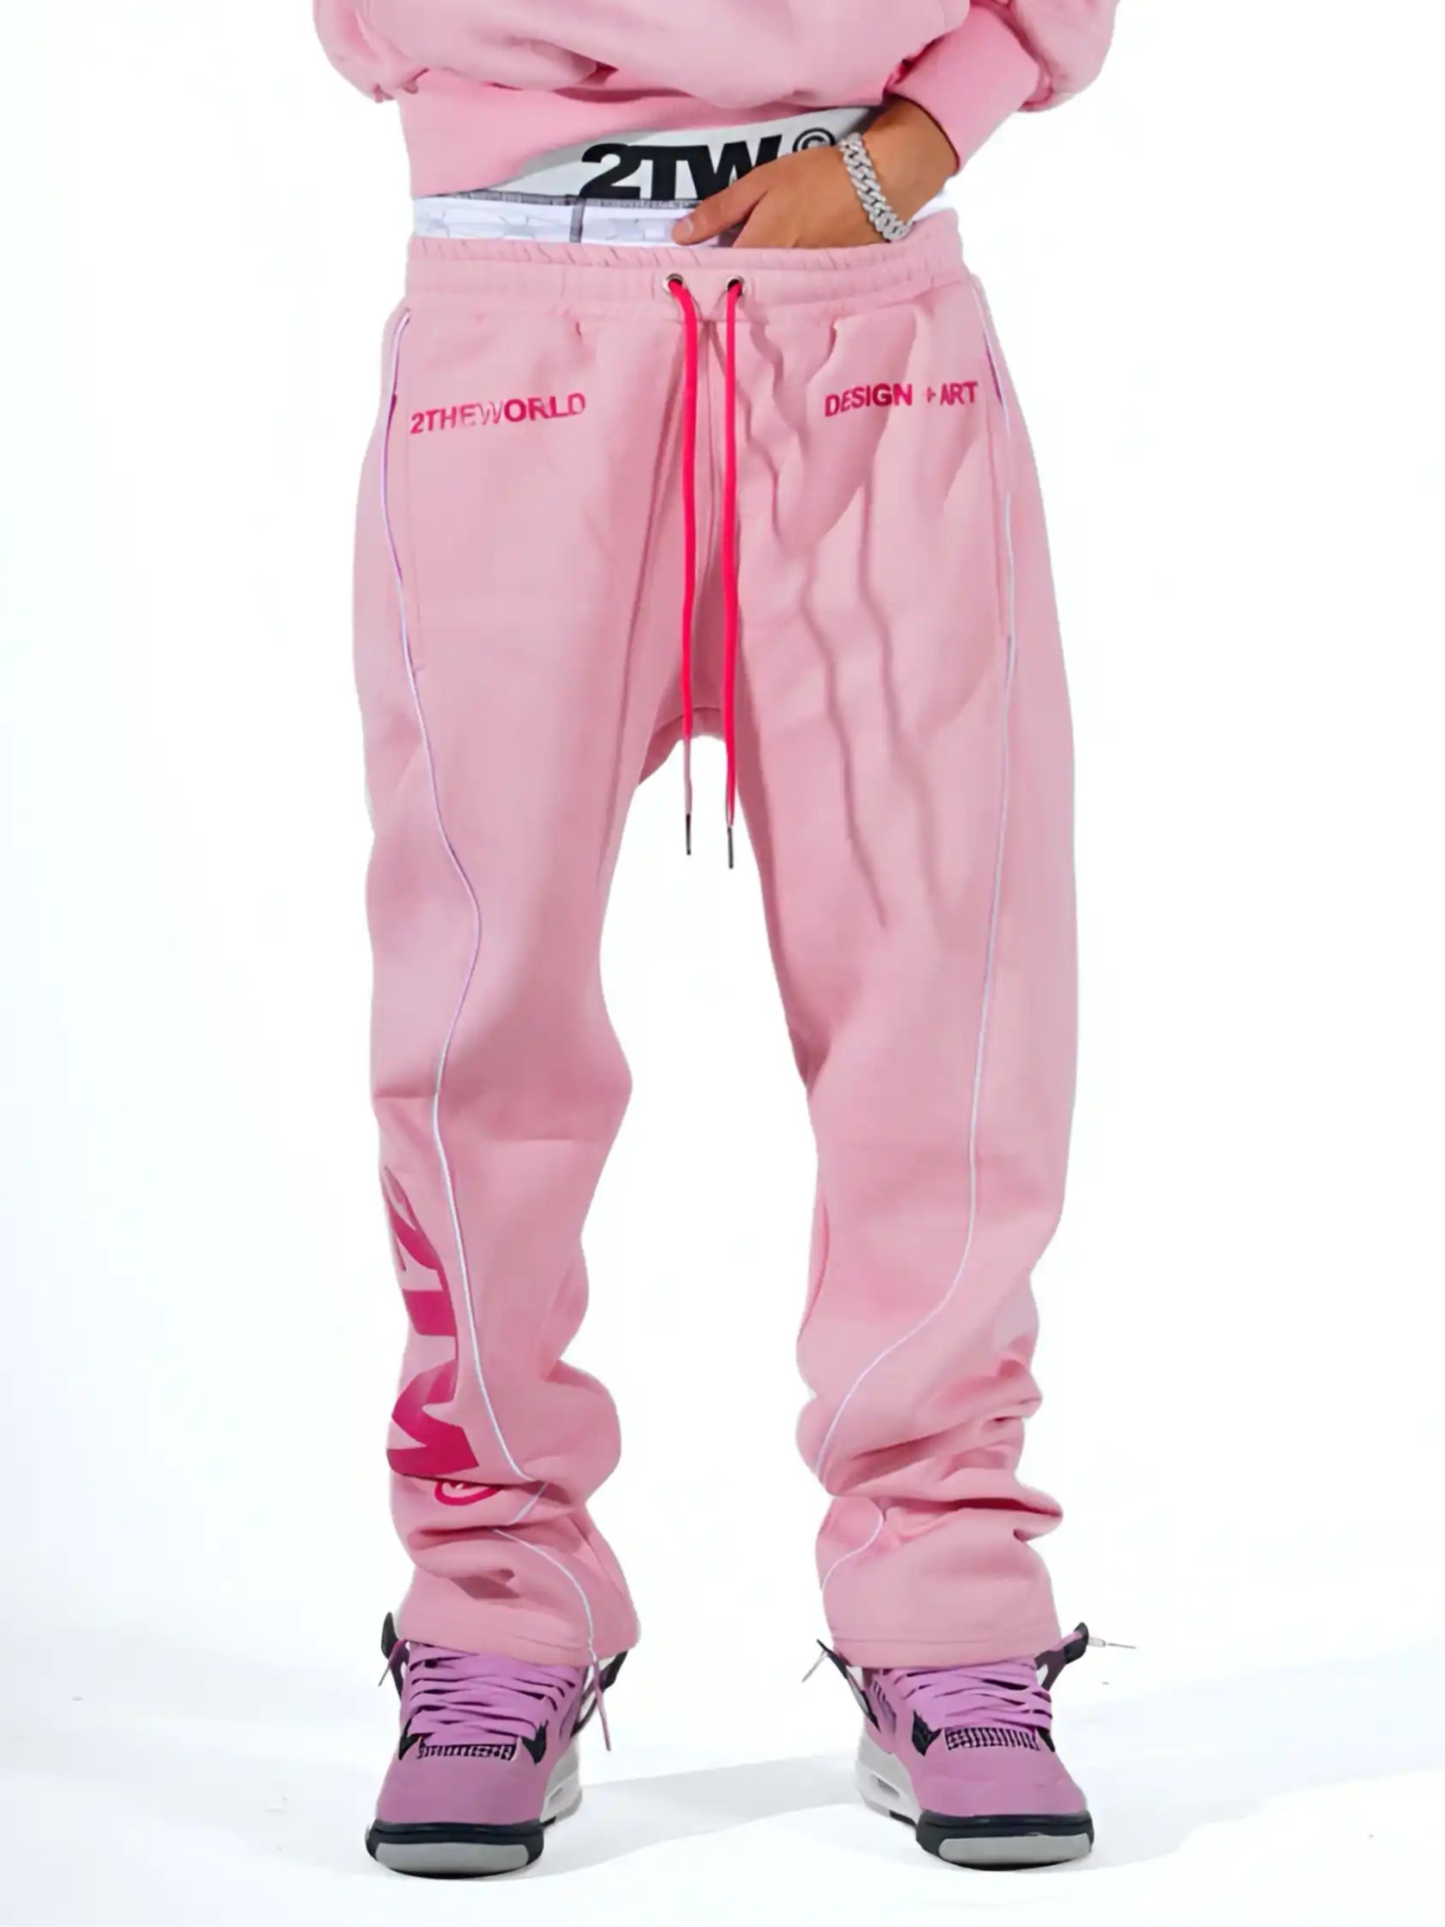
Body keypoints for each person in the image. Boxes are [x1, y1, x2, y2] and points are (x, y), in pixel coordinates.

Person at [313, 0, 1118, 1878]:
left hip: (867, 313)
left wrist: (929, 131)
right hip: (517, 308)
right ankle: (499, 1600)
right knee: (475, 1002)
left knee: (950, 988)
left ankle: (946, 1599)